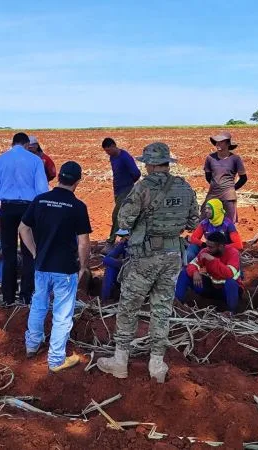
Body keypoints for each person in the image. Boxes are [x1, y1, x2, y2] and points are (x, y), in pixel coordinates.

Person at [97, 142, 199, 383]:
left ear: (150, 164)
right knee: (162, 309)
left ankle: (120, 361)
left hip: (145, 256)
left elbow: (125, 219)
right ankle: (156, 363)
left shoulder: (142, 188)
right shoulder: (185, 188)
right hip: (173, 256)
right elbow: (194, 222)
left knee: (129, 307)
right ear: (166, 163)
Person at [19, 161, 92, 372]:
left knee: (38, 305)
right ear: (78, 181)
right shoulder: (77, 207)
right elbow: (84, 241)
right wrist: (84, 267)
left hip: (42, 265)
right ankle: (56, 360)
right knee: (62, 314)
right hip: (65, 269)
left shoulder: (40, 200)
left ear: (59, 177)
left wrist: (34, 252)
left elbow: (23, 228)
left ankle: (31, 346)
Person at [0, 132, 49, 305]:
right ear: (26, 144)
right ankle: (26, 296)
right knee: (29, 252)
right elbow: (42, 190)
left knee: (9, 253)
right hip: (28, 209)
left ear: (12, 143)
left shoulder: (1, 160)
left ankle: (7, 297)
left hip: (6, 208)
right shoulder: (35, 161)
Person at [176, 232, 244, 314]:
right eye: (207, 245)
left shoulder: (233, 253)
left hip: (229, 291)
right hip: (213, 287)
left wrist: (213, 260)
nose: (207, 249)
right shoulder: (206, 251)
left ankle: (231, 311)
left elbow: (229, 274)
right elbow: (192, 265)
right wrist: (195, 272)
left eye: (211, 247)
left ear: (221, 246)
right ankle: (178, 304)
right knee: (184, 274)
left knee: (230, 282)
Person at [102, 137, 141, 253]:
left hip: (126, 189)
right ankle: (127, 239)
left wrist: (129, 185)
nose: (108, 153)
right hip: (118, 190)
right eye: (106, 151)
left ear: (114, 146)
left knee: (117, 215)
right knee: (124, 216)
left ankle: (110, 242)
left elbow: (136, 173)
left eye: (109, 150)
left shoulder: (125, 157)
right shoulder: (112, 157)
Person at [201, 131, 247, 222]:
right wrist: (216, 185)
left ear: (227, 144)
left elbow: (243, 178)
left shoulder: (235, 159)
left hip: (228, 194)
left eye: (221, 142)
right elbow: (208, 176)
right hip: (213, 192)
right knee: (204, 215)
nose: (217, 144)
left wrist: (231, 188)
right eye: (216, 142)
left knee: (228, 222)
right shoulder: (210, 158)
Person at [100, 229, 130, 303]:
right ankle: (106, 299)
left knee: (111, 265)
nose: (122, 238)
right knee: (110, 267)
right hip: (125, 269)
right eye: (122, 236)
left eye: (125, 236)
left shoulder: (142, 245)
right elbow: (107, 258)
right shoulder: (125, 244)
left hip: (136, 274)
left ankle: (106, 298)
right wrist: (121, 245)